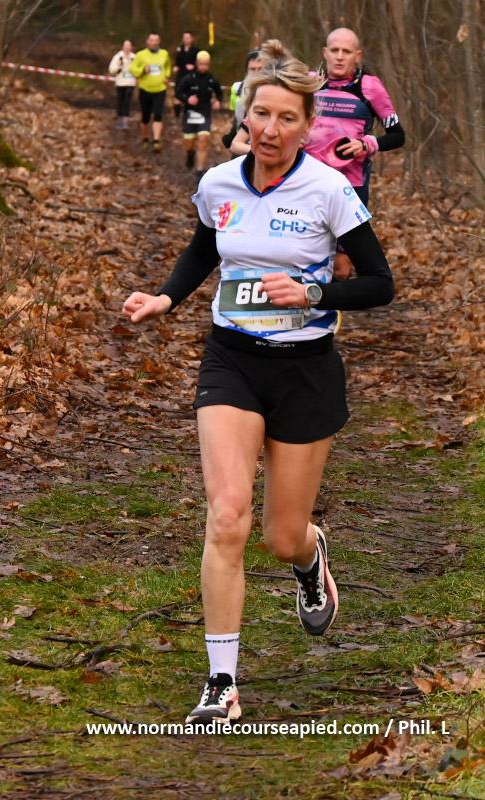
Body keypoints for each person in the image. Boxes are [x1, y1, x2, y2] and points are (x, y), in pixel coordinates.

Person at [122, 39, 394, 723]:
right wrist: (166, 298)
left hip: (305, 370)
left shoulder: (329, 190)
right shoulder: (218, 183)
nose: (270, 130)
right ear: (244, 114)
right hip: (232, 361)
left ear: (307, 125)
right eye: (260, 114)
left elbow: (380, 284)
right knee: (226, 516)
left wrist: (313, 293)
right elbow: (204, 246)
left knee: (281, 535)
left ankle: (309, 556)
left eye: (286, 118)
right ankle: (222, 682)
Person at [231, 29, 405, 280]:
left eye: (346, 52)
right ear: (325, 53)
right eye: (334, 50)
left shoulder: (370, 87)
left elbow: (397, 135)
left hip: (350, 186)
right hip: (304, 181)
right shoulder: (310, 83)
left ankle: (326, 301)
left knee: (340, 267)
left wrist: (366, 144)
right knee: (295, 252)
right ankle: (292, 298)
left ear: (357, 56)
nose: (339, 57)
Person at [176, 50, 223, 179]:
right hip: (190, 114)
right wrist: (187, 100)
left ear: (209, 64)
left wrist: (218, 101)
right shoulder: (189, 78)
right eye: (201, 64)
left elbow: (219, 93)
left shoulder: (212, 79)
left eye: (206, 64)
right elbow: (178, 93)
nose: (203, 67)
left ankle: (200, 170)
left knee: (203, 141)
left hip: (204, 114)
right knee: (189, 144)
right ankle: (190, 154)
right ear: (197, 63)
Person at [130, 33, 172, 152]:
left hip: (160, 89)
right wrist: (142, 70)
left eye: (156, 40)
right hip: (145, 89)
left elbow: (167, 66)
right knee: (146, 116)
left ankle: (156, 140)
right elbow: (133, 69)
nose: (154, 42)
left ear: (159, 41)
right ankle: (145, 138)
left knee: (158, 114)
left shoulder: (164, 54)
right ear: (147, 41)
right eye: (152, 40)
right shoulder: (140, 55)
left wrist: (166, 76)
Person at [222, 50, 263, 150]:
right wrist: (232, 135)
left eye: (260, 69)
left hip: (262, 145)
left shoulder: (274, 92)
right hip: (241, 143)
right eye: (252, 69)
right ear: (246, 71)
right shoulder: (237, 88)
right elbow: (237, 117)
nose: (256, 73)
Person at [108, 40, 137, 130]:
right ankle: (120, 120)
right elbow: (111, 70)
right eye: (126, 46)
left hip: (130, 83)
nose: (127, 48)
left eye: (129, 46)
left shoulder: (134, 57)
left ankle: (125, 121)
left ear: (131, 47)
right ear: (123, 47)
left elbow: (138, 69)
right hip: (120, 83)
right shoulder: (118, 57)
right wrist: (118, 66)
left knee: (127, 101)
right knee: (120, 101)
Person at [172, 31, 199, 119]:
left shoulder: (196, 50)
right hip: (181, 74)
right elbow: (177, 61)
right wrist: (176, 67)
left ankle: (188, 113)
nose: (186, 39)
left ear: (192, 39)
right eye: (185, 38)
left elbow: (199, 63)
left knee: (189, 94)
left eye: (188, 37)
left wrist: (194, 66)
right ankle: (176, 116)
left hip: (191, 76)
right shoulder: (179, 49)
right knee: (177, 94)